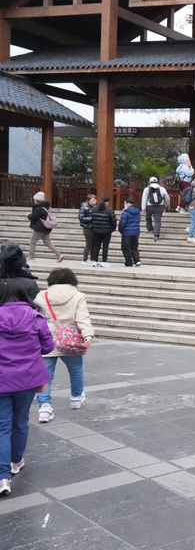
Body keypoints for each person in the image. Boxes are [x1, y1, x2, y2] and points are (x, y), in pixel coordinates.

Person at [0, 277, 53, 496]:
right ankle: (16, 461)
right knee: (20, 421)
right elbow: (48, 347)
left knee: (2, 426)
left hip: (1, 380)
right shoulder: (35, 317)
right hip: (28, 379)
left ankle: (2, 477)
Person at [33, 268, 93, 424]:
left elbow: (37, 319)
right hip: (70, 340)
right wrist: (87, 335)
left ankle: (45, 408)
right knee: (76, 371)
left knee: (45, 375)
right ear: (72, 280)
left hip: (47, 339)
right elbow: (83, 318)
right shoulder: (78, 296)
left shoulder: (42, 295)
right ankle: (76, 398)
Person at [26, 191, 64, 263]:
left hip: (39, 228)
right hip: (47, 227)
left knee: (32, 241)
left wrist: (28, 215)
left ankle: (31, 257)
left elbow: (34, 218)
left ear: (36, 200)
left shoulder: (38, 208)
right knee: (47, 242)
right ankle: (59, 254)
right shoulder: (47, 207)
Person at [89, 196, 116, 267]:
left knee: (96, 246)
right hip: (107, 231)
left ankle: (95, 261)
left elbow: (91, 220)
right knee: (105, 246)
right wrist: (112, 229)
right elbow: (113, 221)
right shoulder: (109, 210)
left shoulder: (94, 209)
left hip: (96, 230)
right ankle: (104, 261)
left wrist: (93, 227)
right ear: (107, 202)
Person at [117, 196, 142, 267]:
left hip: (127, 232)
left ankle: (129, 262)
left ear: (128, 203)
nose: (124, 205)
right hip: (136, 232)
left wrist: (120, 230)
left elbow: (122, 222)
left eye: (125, 203)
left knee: (126, 247)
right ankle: (137, 260)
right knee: (134, 247)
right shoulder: (137, 211)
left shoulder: (125, 212)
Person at [78, 194, 96, 265]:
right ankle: (85, 259)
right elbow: (81, 218)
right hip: (87, 227)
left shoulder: (95, 207)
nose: (95, 201)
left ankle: (92, 258)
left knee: (93, 244)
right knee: (88, 243)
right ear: (88, 201)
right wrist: (92, 218)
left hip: (94, 227)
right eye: (93, 200)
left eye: (95, 200)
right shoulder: (84, 207)